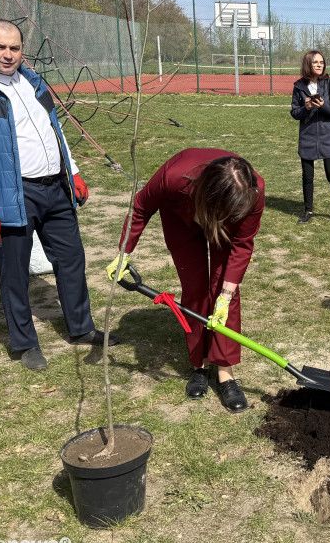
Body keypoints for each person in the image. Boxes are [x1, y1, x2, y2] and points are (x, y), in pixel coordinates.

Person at [0, 19, 118, 369]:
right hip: (14, 193)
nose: (8, 55)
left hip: (55, 188)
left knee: (71, 260)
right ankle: (25, 342)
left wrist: (71, 171)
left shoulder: (34, 82)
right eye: (0, 47)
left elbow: (54, 131)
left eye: (14, 47)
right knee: (15, 272)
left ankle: (81, 328)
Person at [111, 149, 264, 413]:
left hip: (228, 216)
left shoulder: (252, 192)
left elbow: (242, 245)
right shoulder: (173, 177)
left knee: (223, 290)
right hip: (180, 214)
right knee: (194, 289)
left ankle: (225, 373)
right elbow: (141, 208)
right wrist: (124, 254)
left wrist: (225, 296)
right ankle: (200, 365)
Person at [290, 50, 330, 225]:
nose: (319, 65)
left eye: (321, 62)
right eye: (315, 62)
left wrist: (323, 106)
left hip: (327, 136)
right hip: (307, 137)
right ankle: (308, 210)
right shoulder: (299, 86)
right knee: (307, 177)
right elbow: (294, 113)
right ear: (308, 64)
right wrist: (306, 108)